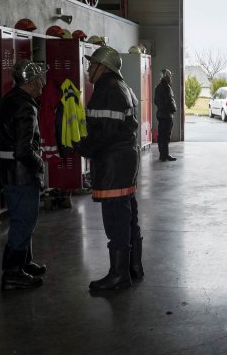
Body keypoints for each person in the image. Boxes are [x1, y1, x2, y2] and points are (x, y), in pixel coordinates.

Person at [75, 46, 144, 290]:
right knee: (128, 215)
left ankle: (118, 275)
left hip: (113, 164)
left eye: (91, 64)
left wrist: (82, 147)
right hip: (125, 161)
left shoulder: (107, 90)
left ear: (103, 67)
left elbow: (104, 133)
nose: (88, 69)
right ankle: (133, 267)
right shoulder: (122, 87)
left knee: (116, 218)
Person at [0, 59, 47, 290]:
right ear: (31, 82)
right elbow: (23, 150)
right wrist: (39, 164)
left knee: (22, 218)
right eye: (40, 79)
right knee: (24, 221)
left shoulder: (10, 99)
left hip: (8, 171)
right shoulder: (26, 106)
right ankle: (13, 273)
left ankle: (24, 263)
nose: (42, 84)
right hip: (21, 174)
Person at [154, 68, 177, 161]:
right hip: (166, 115)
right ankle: (165, 155)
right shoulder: (166, 87)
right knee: (166, 136)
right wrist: (173, 108)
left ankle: (163, 155)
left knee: (161, 135)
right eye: (169, 76)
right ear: (165, 77)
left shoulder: (158, 87)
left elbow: (156, 101)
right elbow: (169, 102)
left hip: (161, 115)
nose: (171, 78)